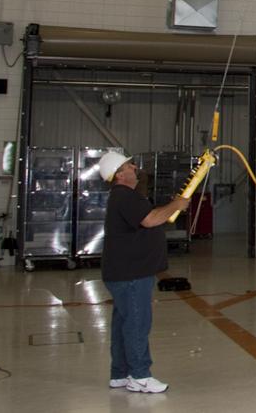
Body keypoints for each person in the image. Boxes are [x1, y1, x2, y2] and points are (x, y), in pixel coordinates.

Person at [98, 150, 189, 394]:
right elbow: (150, 220)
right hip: (131, 274)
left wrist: (170, 207)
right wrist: (177, 205)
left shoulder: (122, 197)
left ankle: (120, 374)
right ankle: (139, 375)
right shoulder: (125, 196)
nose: (135, 168)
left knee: (122, 323)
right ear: (119, 174)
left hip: (122, 273)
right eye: (129, 166)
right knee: (137, 323)